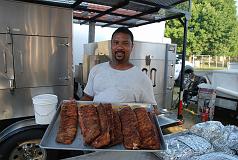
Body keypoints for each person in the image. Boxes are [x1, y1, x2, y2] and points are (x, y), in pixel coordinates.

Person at [81, 27, 156, 105]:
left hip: (127, 117)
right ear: (111, 45)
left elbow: (152, 108)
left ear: (132, 47)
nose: (119, 47)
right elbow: (88, 98)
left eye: (125, 43)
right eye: (116, 43)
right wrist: (73, 105)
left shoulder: (142, 78)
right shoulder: (96, 70)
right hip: (97, 117)